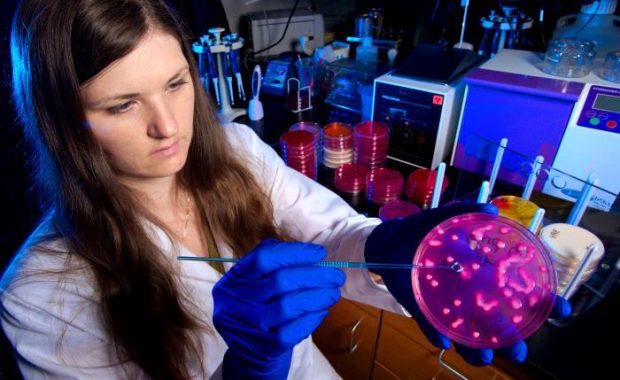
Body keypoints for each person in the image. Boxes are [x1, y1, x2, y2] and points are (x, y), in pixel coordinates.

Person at [0, 0, 570, 379]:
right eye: (122, 105)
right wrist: (246, 371)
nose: (169, 126)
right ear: (60, 122)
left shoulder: (237, 152)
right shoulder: (42, 292)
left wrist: (401, 252)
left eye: (175, 84)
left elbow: (331, 233)